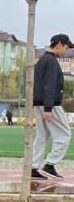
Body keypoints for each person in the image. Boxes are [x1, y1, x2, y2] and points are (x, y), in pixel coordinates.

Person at [31, 33, 72, 179]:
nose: (67, 51)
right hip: (50, 104)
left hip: (38, 103)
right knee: (64, 134)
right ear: (59, 44)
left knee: (42, 135)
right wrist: (48, 108)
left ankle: (34, 166)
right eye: (66, 47)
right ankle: (50, 164)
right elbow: (49, 86)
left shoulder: (42, 60)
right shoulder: (52, 62)